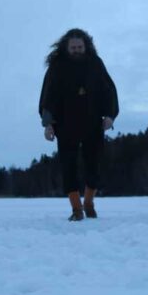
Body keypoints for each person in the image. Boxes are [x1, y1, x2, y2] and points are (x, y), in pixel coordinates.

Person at [39, 28, 118, 221]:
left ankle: (89, 204)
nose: (76, 50)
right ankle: (76, 209)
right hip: (65, 125)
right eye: (73, 47)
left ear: (86, 46)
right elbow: (48, 96)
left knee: (94, 166)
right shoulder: (57, 66)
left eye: (79, 47)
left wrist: (110, 115)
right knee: (69, 167)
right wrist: (48, 124)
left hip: (93, 123)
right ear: (66, 47)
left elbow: (108, 90)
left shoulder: (95, 63)